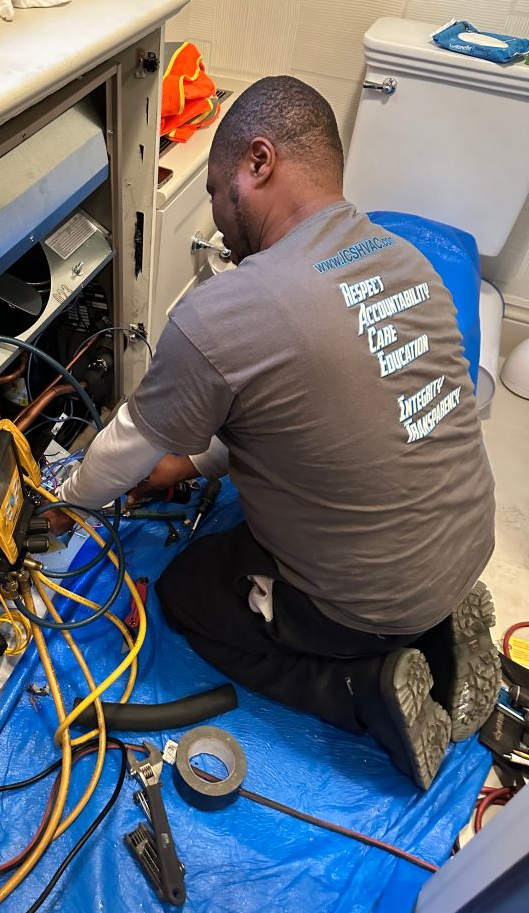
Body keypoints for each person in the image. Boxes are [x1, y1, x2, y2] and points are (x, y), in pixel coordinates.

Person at [51, 76, 500, 789]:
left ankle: (361, 690)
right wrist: (190, 464)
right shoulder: (403, 257)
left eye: (215, 192)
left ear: (258, 162)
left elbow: (124, 448)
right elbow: (308, 412)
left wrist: (65, 501)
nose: (218, 220)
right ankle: (438, 633)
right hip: (467, 543)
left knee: (188, 592)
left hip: (369, 602)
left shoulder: (226, 310)